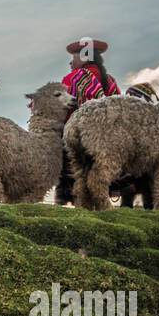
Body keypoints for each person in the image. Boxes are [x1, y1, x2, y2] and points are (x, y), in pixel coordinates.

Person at [55, 37, 120, 205]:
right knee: (98, 186)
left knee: (76, 181)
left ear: (84, 57)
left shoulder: (72, 79)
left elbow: (59, 111)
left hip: (77, 142)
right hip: (105, 145)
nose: (70, 63)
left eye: (73, 58)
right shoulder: (110, 81)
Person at [113, 82, 158, 208]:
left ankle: (149, 219)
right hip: (131, 167)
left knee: (146, 194)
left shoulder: (151, 118)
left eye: (130, 96)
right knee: (130, 193)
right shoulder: (124, 117)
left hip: (143, 166)